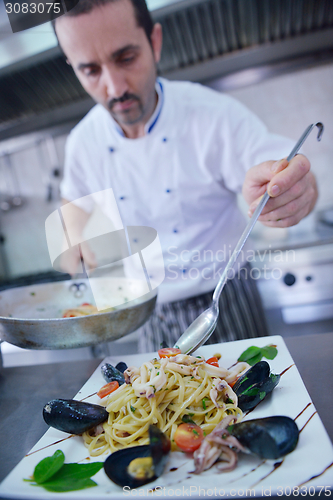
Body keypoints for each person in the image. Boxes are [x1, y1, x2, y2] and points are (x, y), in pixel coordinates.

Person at [54, 0, 318, 352]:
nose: (115, 88)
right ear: (72, 67)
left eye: (126, 58)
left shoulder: (211, 115)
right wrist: (76, 241)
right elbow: (72, 207)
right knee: (151, 405)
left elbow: (278, 165)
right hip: (149, 312)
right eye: (90, 70)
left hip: (227, 301)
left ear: (155, 42)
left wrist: (296, 189)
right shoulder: (83, 142)